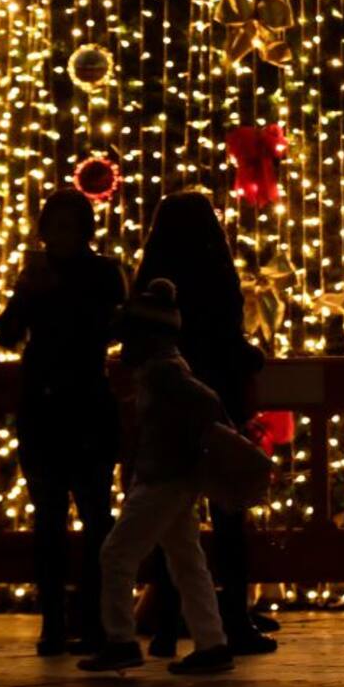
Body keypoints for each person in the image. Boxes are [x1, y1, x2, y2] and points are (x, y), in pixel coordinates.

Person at [132, 192, 275, 656]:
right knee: (228, 516)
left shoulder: (154, 286)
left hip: (168, 418)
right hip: (217, 408)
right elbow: (231, 341)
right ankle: (232, 618)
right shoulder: (217, 277)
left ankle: (168, 622)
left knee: (172, 519)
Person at [0, 190, 126, 656]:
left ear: (85, 231)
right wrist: (27, 293)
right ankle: (53, 622)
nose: (60, 236)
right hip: (44, 410)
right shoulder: (37, 276)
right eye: (54, 227)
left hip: (86, 405)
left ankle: (93, 620)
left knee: (95, 518)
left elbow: (111, 330)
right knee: (49, 519)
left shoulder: (105, 274)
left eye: (70, 227)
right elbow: (7, 333)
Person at [78, 279, 234, 675]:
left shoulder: (164, 372)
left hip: (163, 477)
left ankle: (120, 639)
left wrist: (219, 431)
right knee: (186, 558)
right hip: (176, 477)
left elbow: (205, 401)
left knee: (117, 554)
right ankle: (211, 641)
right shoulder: (162, 368)